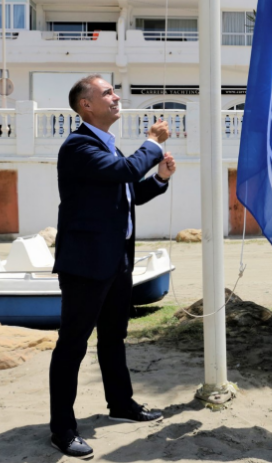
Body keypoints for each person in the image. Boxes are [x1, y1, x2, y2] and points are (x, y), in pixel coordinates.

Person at [48, 75, 177, 459]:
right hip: (85, 265)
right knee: (72, 346)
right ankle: (62, 430)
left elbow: (128, 191)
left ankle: (121, 405)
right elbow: (124, 173)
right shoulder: (77, 146)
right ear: (86, 105)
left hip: (116, 260)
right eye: (107, 92)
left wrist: (160, 179)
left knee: (113, 338)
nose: (116, 96)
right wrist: (152, 143)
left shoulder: (107, 146)